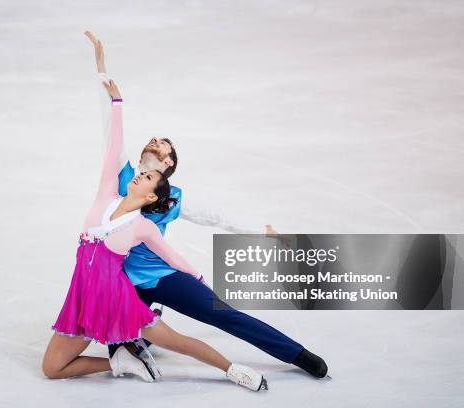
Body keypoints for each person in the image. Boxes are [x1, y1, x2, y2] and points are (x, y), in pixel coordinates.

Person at [84, 31, 328, 379]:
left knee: (220, 313)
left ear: (167, 165)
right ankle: (143, 331)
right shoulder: (120, 173)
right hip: (120, 280)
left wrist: (263, 231)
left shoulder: (174, 197)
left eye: (163, 145)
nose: (154, 141)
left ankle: (297, 354)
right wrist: (101, 69)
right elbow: (110, 124)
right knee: (120, 340)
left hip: (160, 275)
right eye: (153, 139)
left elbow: (217, 215)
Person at [41, 66, 268, 392]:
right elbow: (113, 145)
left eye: (146, 178)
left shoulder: (143, 227)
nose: (137, 174)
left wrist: (200, 282)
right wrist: (116, 103)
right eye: (141, 172)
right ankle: (120, 362)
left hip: (116, 300)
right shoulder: (106, 193)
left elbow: (173, 259)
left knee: (178, 342)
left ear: (150, 196)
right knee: (52, 368)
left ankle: (234, 370)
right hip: (81, 299)